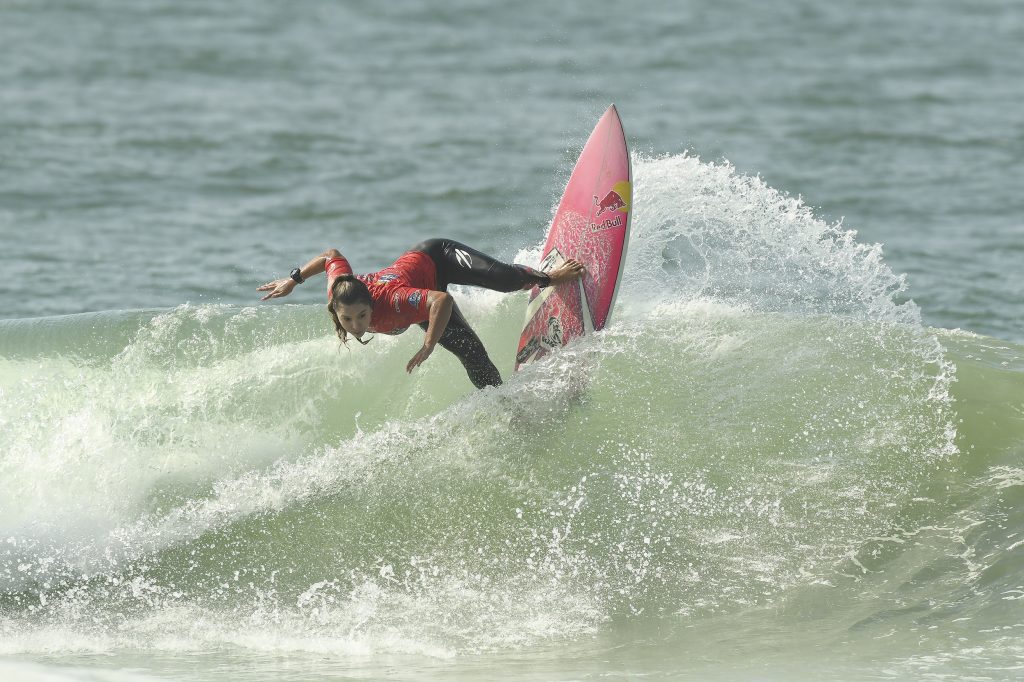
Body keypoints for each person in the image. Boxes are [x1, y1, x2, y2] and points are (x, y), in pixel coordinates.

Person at [258, 238, 584, 388]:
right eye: (348, 319)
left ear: (372, 306)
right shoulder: (339, 292)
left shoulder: (393, 301)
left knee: (505, 280)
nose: (357, 326)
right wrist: (294, 280)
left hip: (436, 258)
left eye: (362, 316)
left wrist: (428, 345)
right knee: (474, 358)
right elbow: (331, 255)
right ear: (335, 309)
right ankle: (507, 405)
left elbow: (441, 300)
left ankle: (550, 276)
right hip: (422, 298)